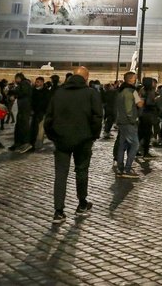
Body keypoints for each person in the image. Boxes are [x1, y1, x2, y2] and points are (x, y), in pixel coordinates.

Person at [44, 65, 102, 224]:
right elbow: (97, 117)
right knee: (82, 171)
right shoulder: (91, 93)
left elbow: (48, 118)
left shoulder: (59, 93)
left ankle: (58, 211)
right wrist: (93, 135)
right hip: (83, 140)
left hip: (61, 140)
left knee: (60, 175)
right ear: (86, 78)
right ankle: (82, 203)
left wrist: (53, 136)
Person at [114, 71, 144, 178]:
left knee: (122, 145)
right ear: (131, 79)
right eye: (135, 78)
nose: (136, 80)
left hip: (121, 122)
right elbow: (138, 105)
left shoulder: (121, 91)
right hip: (129, 122)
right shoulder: (132, 91)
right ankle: (127, 169)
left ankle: (120, 167)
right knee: (135, 145)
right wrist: (133, 120)